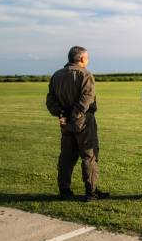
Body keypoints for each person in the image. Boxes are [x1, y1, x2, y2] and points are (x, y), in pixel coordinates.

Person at [46, 46, 110, 202]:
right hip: (84, 121)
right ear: (81, 58)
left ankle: (64, 190)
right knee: (89, 156)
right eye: (87, 57)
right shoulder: (85, 75)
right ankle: (91, 192)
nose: (87, 60)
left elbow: (50, 100)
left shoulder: (56, 76)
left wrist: (62, 114)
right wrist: (74, 115)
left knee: (66, 157)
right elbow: (86, 100)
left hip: (65, 123)